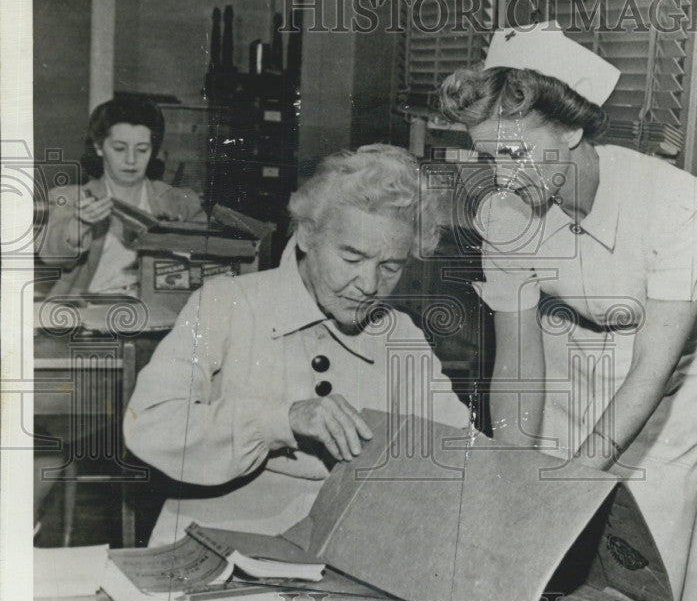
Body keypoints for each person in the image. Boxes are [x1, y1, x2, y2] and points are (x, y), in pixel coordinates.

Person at [440, 22, 697, 601]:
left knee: (641, 564)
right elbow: (516, 359)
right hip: (564, 361)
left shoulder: (676, 202)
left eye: (512, 152)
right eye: (487, 157)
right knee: (541, 551)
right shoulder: (503, 214)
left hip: (665, 394)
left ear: (571, 130)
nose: (501, 176)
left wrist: (576, 480)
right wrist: (511, 474)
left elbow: (652, 366)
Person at [124, 144, 471, 545]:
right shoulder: (226, 304)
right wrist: (281, 419)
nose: (370, 285)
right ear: (307, 234)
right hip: (217, 535)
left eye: (390, 266)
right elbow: (149, 425)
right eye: (352, 257)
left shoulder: (400, 336)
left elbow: (455, 453)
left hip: (349, 543)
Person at [37, 94, 204, 296]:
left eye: (142, 150)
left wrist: (179, 241)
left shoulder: (178, 200)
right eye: (119, 148)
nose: (131, 160)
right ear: (99, 147)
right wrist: (77, 227)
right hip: (90, 309)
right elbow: (51, 257)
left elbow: (211, 255)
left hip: (160, 308)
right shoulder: (71, 198)